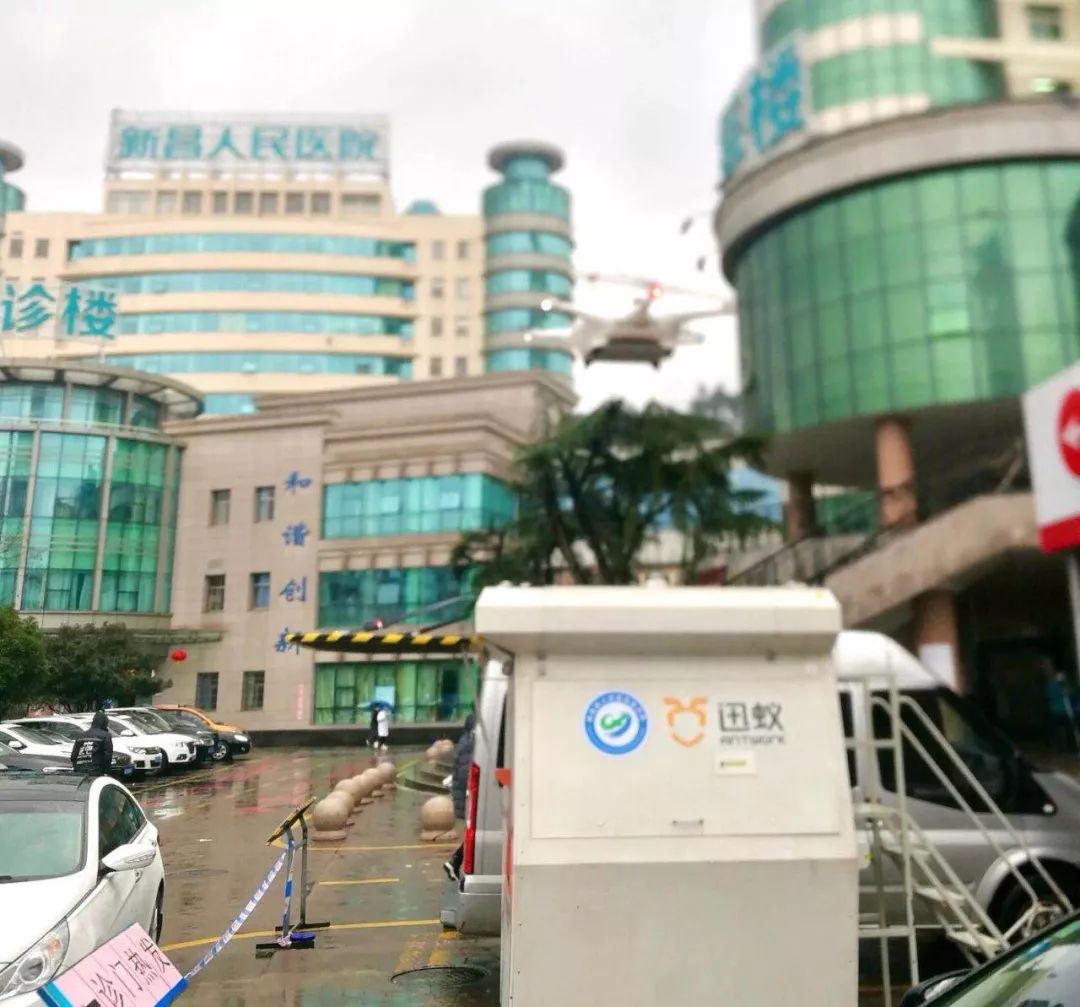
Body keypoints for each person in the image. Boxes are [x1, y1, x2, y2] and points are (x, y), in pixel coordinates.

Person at [444, 714, 476, 882]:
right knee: (476, 833)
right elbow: (465, 773)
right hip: (467, 795)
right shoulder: (470, 744)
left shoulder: (464, 741)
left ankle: (455, 862)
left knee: (475, 832)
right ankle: (456, 862)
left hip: (463, 794)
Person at [70, 711, 113, 776]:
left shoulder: (81, 736)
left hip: (79, 772)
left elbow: (73, 756)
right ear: (105, 723)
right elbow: (107, 756)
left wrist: (76, 768)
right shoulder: (106, 735)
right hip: (96, 771)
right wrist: (106, 771)